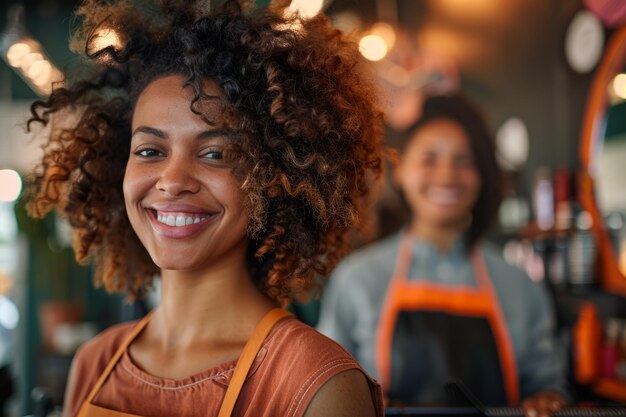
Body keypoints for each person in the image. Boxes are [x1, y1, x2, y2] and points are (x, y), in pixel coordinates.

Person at [25, 1, 386, 416]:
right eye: (149, 150)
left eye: (216, 154)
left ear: (271, 178)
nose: (173, 180)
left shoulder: (316, 381)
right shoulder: (95, 363)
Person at [317, 93, 570, 417]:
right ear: (400, 171)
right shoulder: (358, 279)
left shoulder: (519, 286)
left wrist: (547, 399)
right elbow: (325, 389)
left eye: (464, 160)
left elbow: (548, 388)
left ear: (481, 177)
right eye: (430, 158)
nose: (447, 175)